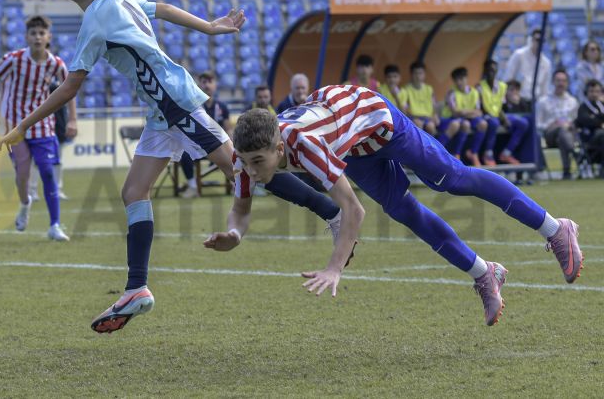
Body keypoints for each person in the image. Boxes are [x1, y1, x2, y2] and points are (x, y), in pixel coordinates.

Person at [0, 0, 344, 334]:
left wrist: (22, 125)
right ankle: (136, 289)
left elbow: (70, 86)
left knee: (243, 170)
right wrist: (209, 28)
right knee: (134, 192)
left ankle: (331, 212)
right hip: (160, 111)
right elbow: (161, 8)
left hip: (174, 103)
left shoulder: (94, 20)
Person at [205, 86, 584, 327]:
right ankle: (485, 273)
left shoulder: (307, 148)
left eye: (259, 162)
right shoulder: (245, 159)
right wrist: (235, 233)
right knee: (402, 210)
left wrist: (334, 268)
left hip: (376, 120)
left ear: (280, 149)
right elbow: (241, 206)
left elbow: (353, 211)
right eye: (246, 161)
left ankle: (555, 228)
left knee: (453, 179)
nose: (251, 171)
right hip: (351, 143)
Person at [0, 15, 74, 240]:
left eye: (41, 33)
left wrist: (72, 119)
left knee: (47, 170)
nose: (37, 37)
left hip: (42, 124)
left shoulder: (56, 64)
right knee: (23, 172)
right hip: (14, 125)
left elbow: (70, 88)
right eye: (33, 33)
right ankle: (25, 204)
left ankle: (55, 225)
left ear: (48, 37)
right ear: (26, 37)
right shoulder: (14, 59)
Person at [179, 71, 232, 199]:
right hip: (196, 147)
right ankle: (192, 186)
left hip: (217, 147)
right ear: (199, 85)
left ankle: (237, 183)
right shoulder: (192, 105)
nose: (207, 85)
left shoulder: (222, 106)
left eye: (210, 82)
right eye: (204, 82)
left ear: (215, 85)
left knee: (233, 152)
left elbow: (228, 130)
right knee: (183, 153)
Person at [28, 78, 78, 202]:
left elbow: (71, 93)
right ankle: (31, 191)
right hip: (40, 123)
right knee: (35, 160)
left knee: (58, 160)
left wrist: (72, 119)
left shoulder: (61, 74)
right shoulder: (34, 77)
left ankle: (57, 190)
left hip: (58, 122)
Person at [479, 59, 529, 165]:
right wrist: (501, 118)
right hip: (485, 116)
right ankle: (488, 154)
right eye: (489, 70)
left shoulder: (502, 86)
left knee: (523, 123)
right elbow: (482, 107)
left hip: (498, 115)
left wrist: (504, 118)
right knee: (494, 123)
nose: (491, 73)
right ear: (484, 71)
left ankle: (506, 153)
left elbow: (500, 105)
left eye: (494, 70)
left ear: (497, 71)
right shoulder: (480, 87)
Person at [536, 69, 580, 180]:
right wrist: (552, 124)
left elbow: (576, 122)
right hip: (549, 135)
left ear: (567, 83)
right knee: (561, 130)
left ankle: (566, 172)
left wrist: (568, 125)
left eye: (563, 81)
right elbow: (538, 124)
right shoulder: (543, 101)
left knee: (563, 134)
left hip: (568, 134)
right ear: (553, 82)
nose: (561, 83)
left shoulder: (573, 101)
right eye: (558, 80)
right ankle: (574, 153)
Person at [503, 28, 552, 103]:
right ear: (532, 40)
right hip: (518, 99)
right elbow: (508, 78)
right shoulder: (519, 55)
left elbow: (544, 89)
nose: (539, 43)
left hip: (536, 101)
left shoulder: (546, 63)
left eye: (542, 41)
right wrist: (510, 96)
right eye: (537, 40)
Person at [401, 61, 440, 138]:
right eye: (416, 73)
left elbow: (434, 105)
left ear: (424, 74)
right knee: (418, 124)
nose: (418, 76)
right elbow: (403, 108)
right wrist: (409, 118)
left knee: (431, 127)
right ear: (411, 74)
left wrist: (435, 115)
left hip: (427, 118)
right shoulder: (405, 89)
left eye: (420, 73)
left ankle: (431, 149)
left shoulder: (429, 89)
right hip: (413, 117)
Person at [574, 79, 604, 173]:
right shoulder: (583, 107)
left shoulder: (601, 105)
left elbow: (594, 119)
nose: (594, 94)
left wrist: (596, 118)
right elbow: (587, 121)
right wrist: (600, 122)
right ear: (586, 92)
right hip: (590, 140)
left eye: (597, 91)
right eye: (591, 91)